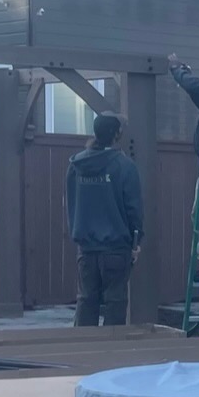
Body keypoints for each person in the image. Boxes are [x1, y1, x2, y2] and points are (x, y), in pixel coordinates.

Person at [65, 111, 144, 326]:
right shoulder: (125, 167)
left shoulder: (76, 166)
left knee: (86, 301)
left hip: (86, 248)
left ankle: (83, 351)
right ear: (117, 134)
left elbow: (71, 203)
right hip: (117, 249)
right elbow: (133, 209)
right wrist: (136, 243)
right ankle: (112, 352)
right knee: (115, 303)